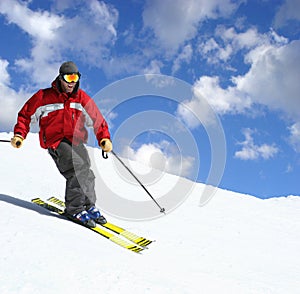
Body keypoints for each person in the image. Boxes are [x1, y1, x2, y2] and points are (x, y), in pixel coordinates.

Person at [11, 61, 112, 228]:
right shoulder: (44, 97)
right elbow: (25, 115)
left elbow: (97, 120)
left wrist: (104, 138)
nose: (71, 82)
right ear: (60, 78)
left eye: (75, 78)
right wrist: (19, 134)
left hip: (75, 140)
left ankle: (88, 205)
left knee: (87, 171)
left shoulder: (81, 98)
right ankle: (75, 209)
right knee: (77, 169)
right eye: (68, 78)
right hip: (56, 141)